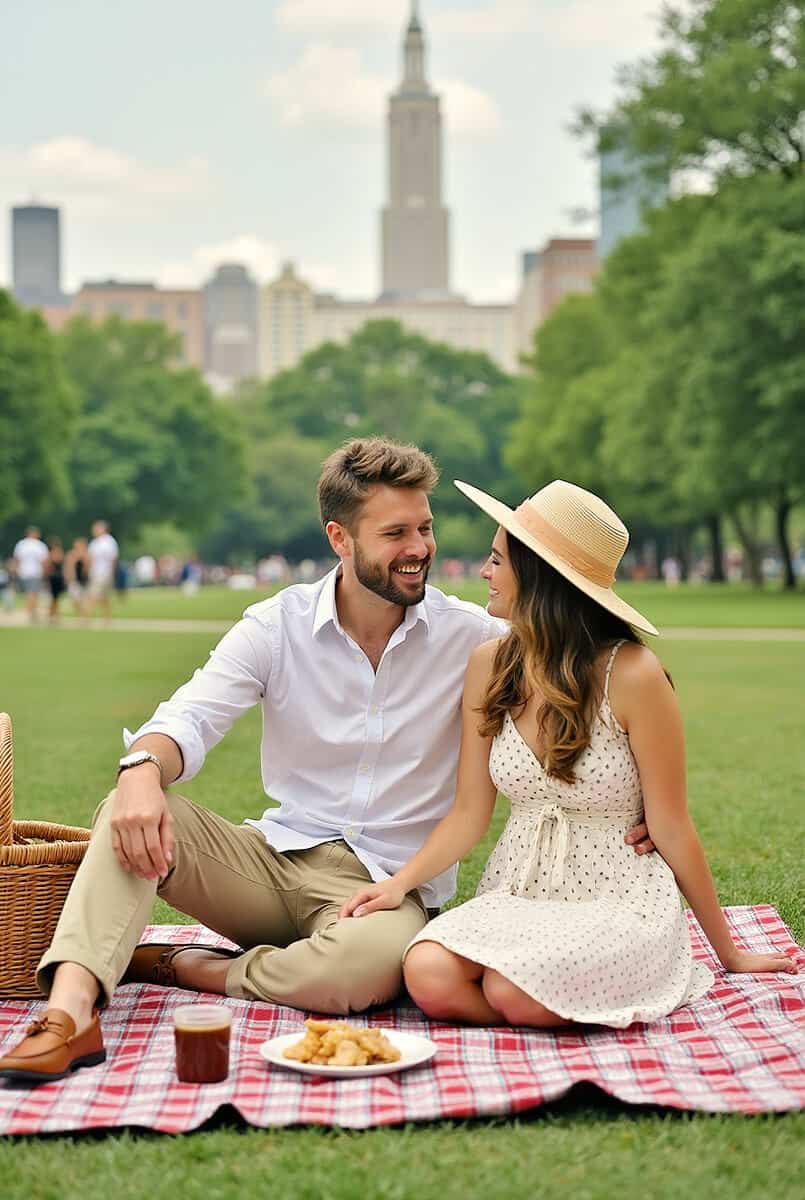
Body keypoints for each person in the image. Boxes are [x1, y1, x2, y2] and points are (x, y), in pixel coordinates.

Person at [0, 441, 655, 1084]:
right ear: (340, 539)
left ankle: (190, 966)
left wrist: (640, 803)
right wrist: (141, 769)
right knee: (129, 808)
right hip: (267, 862)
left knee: (362, 971)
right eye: (395, 532)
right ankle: (67, 1017)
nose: (419, 548)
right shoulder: (275, 625)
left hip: (382, 890)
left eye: (423, 528)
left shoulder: (475, 639)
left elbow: (594, 674)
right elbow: (190, 715)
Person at [340, 480, 797, 1028]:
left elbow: (672, 824)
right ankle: (547, 1003)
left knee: (515, 988)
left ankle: (547, 998)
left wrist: (729, 952)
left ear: (540, 577)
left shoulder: (632, 674)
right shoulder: (490, 665)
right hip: (520, 887)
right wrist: (398, 884)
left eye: (497, 560)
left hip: (617, 896)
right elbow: (468, 814)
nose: (484, 572)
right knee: (427, 973)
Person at [11, 526, 49, 623]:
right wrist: (45, 573)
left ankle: (31, 612)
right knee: (33, 593)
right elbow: (44, 561)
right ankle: (31, 612)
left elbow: (17, 560)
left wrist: (15, 571)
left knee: (28, 593)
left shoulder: (21, 544)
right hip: (35, 572)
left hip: (24, 572)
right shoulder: (40, 545)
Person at [84, 519, 119, 620]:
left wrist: (111, 572)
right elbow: (90, 559)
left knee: (93, 594)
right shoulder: (95, 543)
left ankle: (86, 617)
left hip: (104, 572)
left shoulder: (109, 541)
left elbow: (113, 558)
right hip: (95, 572)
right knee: (103, 596)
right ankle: (107, 616)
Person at [65, 537, 91, 614]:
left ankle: (85, 616)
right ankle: (82, 613)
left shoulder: (87, 554)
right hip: (74, 580)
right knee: (75, 599)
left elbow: (89, 566)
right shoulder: (71, 554)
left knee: (85, 599)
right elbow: (68, 567)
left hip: (84, 580)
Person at [45, 536, 67, 624]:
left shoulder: (52, 553)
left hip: (56, 577)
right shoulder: (56, 553)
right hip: (55, 577)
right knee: (54, 598)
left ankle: (53, 615)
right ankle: (53, 615)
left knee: (55, 598)